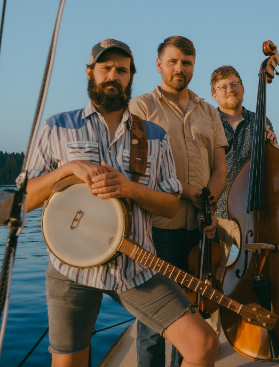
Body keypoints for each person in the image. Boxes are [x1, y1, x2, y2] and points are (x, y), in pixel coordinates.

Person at [22, 39, 218, 367]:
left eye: (122, 70)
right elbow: (24, 199)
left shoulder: (153, 135)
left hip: (135, 264)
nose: (114, 75)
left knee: (203, 345)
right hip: (72, 269)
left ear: (131, 76)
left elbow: (170, 205)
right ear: (90, 73)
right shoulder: (58, 127)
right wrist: (69, 169)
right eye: (106, 68)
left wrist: (129, 189)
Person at [129, 36, 228, 367]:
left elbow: (220, 168)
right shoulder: (141, 107)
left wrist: (208, 204)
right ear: (159, 64)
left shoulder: (209, 112)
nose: (179, 69)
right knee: (153, 327)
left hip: (200, 229)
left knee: (192, 317)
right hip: (158, 228)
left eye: (186, 62)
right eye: (172, 62)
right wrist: (188, 192)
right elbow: (138, 169)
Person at [209, 65, 278, 264]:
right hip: (218, 215)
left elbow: (270, 167)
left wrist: (272, 146)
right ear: (214, 95)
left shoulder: (260, 121)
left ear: (243, 88)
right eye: (223, 87)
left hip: (251, 214)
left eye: (234, 84)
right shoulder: (208, 122)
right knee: (219, 275)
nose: (230, 89)